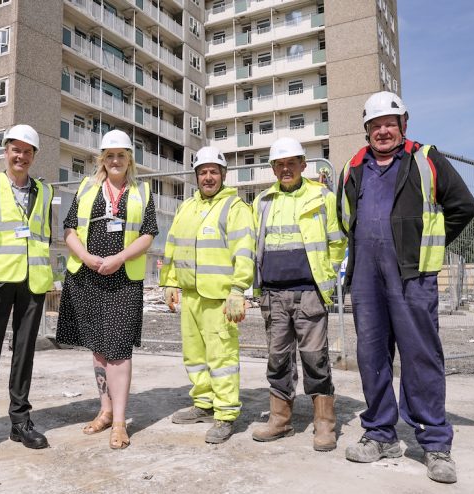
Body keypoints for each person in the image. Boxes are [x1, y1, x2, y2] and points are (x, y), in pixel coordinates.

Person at [337, 91, 474, 483]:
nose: (382, 131)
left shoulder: (425, 159)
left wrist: (424, 244)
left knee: (420, 356)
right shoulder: (354, 167)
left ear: (403, 125)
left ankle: (434, 444)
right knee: (371, 356)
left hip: (412, 274)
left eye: (389, 124)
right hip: (366, 275)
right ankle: (381, 435)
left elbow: (464, 206)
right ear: (367, 129)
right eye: (375, 125)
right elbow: (343, 218)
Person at [56, 129, 157, 449]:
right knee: (98, 348)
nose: (116, 160)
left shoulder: (143, 191)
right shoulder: (87, 187)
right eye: (110, 155)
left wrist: (119, 258)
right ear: (102, 159)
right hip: (88, 277)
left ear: (130, 160)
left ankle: (119, 422)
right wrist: (85, 257)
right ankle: (105, 409)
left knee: (119, 351)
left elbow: (148, 234)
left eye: (121, 155)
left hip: (123, 278)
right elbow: (69, 230)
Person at [250, 138, 346, 451]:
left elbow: (337, 241)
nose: (286, 168)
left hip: (309, 292)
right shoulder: (263, 201)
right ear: (273, 168)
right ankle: (281, 420)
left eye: (292, 162)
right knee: (278, 359)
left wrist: (328, 278)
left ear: (304, 164)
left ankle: (324, 424)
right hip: (273, 294)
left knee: (314, 357)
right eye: (279, 164)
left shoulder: (322, 196)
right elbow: (255, 245)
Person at [0, 125, 54, 458]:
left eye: (28, 151)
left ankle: (20, 420)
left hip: (32, 282)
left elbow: (42, 234)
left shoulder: (43, 192)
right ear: (6, 152)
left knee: (24, 351)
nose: (21, 156)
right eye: (16, 149)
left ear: (34, 156)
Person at [160, 146, 255, 444]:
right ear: (196, 176)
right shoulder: (186, 207)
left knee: (222, 356)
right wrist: (170, 283)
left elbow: (244, 251)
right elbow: (172, 248)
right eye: (203, 172)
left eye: (214, 171)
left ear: (223, 175)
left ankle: (226, 414)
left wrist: (239, 289)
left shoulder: (235, 207)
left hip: (220, 298)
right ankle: (204, 403)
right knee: (195, 355)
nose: (208, 177)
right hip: (190, 295)